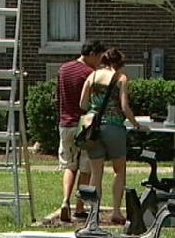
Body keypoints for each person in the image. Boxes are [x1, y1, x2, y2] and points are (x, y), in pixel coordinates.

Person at [79, 48, 148, 224]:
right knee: (119, 170)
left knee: (96, 172)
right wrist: (137, 124)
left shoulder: (92, 76)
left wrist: (94, 110)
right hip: (114, 128)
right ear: (119, 63)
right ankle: (116, 211)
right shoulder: (121, 78)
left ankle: (94, 212)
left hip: (93, 128)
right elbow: (124, 107)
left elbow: (82, 103)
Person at [56, 40, 106, 222]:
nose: (100, 61)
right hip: (84, 125)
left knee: (69, 166)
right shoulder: (90, 74)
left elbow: (58, 97)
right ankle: (79, 206)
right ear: (92, 53)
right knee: (85, 168)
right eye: (99, 57)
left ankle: (65, 201)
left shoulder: (63, 69)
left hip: (65, 123)